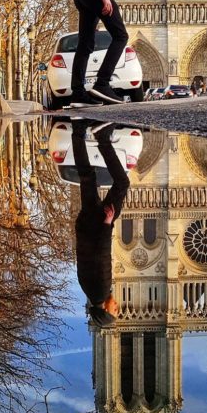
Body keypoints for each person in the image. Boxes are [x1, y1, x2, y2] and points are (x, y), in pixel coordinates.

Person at [72, 119, 130, 327]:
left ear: (106, 309)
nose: (118, 307)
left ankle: (103, 139)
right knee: (87, 176)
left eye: (115, 310)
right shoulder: (89, 290)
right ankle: (78, 131)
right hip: (86, 226)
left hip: (97, 226)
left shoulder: (102, 289)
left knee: (122, 183)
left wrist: (107, 223)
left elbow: (101, 254)